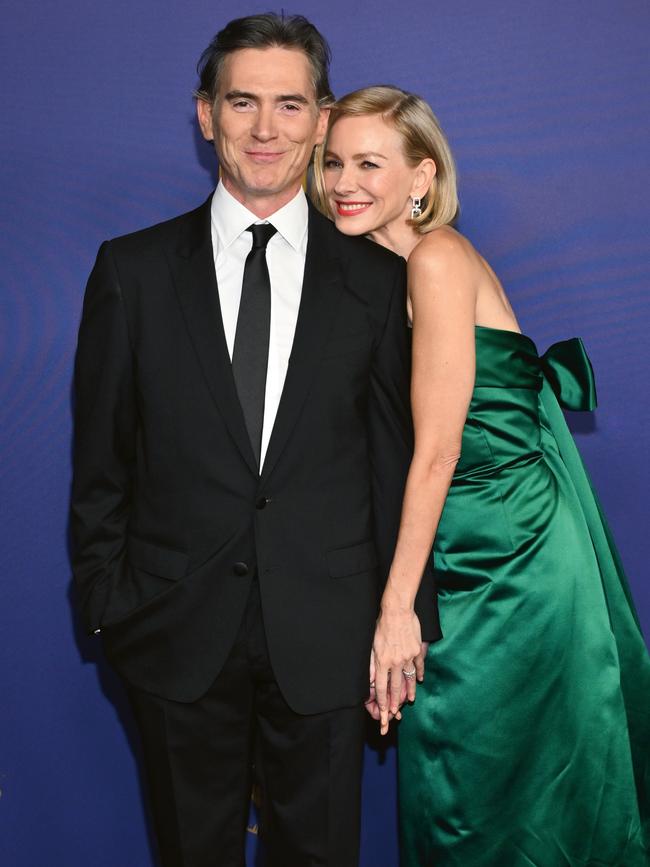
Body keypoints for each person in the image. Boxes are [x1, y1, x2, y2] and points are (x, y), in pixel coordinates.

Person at [70, 20, 440, 867]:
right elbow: (101, 466)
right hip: (172, 636)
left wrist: (403, 618)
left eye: (288, 104)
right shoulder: (131, 272)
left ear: (321, 119)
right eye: (242, 102)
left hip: (331, 639)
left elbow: (397, 462)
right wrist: (110, 607)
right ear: (207, 116)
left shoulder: (383, 284)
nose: (265, 129)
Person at [313, 85, 650, 866]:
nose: (344, 182)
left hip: (512, 563)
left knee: (501, 791)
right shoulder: (374, 277)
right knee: (468, 788)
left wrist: (396, 610)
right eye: (333, 163)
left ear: (422, 177)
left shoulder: (435, 258)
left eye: (370, 162)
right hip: (452, 554)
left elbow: (435, 451)